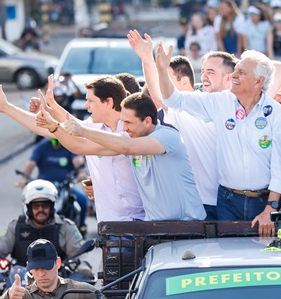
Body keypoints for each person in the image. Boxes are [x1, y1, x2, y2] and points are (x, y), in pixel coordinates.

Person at [158, 46, 281, 236]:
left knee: (259, 257)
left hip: (263, 202)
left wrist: (271, 207)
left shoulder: (277, 115)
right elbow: (174, 100)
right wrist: (162, 70)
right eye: (235, 70)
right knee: (228, 257)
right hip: (227, 201)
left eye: (241, 72)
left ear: (258, 81)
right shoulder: (220, 102)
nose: (234, 76)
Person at [0, 76, 145, 223]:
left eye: (91, 101)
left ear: (108, 102)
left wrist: (52, 115)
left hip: (136, 221)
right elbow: (48, 128)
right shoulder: (96, 126)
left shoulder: (129, 132)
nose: (86, 106)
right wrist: (7, 108)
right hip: (109, 223)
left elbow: (80, 145)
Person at [38, 92, 206, 221]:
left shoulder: (168, 136)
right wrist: (54, 128)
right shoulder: (130, 138)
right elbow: (81, 146)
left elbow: (129, 147)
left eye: (128, 123)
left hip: (188, 225)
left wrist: (83, 130)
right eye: (122, 122)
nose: (123, 128)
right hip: (155, 228)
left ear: (147, 121)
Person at [128, 30, 231, 220]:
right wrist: (146, 58)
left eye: (212, 72)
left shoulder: (240, 108)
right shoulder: (190, 102)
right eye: (204, 71)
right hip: (198, 202)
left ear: (229, 78)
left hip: (233, 200)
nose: (205, 76)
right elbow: (159, 97)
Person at [0, 180, 86, 275]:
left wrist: (83, 269)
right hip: (20, 284)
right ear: (28, 208)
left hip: (58, 284)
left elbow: (79, 254)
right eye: (36, 207)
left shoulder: (66, 227)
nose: (40, 210)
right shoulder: (15, 227)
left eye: (45, 206)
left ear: (52, 207)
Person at [17, 138, 89, 234]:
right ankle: (27, 228)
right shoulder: (42, 146)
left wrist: (81, 173)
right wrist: (24, 179)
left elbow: (78, 162)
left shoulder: (70, 145)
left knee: (82, 199)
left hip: (65, 186)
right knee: (28, 201)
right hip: (43, 187)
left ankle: (81, 226)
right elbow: (31, 163)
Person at [1, 239, 104, 299]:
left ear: (57, 263)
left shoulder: (80, 292)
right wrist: (8, 296)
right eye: (36, 268)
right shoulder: (22, 296)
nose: (41, 274)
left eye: (46, 267)